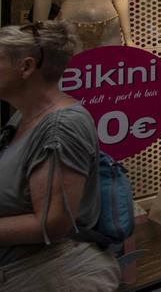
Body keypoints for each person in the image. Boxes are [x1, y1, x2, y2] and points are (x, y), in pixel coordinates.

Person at [0, 22, 120, 291]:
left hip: (51, 275)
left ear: (27, 67)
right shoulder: (23, 118)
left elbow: (53, 222)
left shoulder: (61, 126)